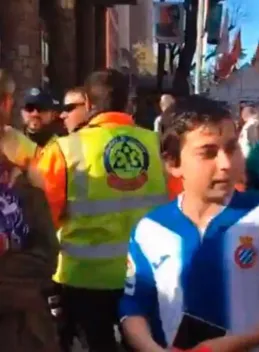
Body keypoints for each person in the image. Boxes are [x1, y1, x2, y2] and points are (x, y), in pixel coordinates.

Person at [120, 96, 259, 352]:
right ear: (172, 163)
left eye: (231, 148)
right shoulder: (150, 229)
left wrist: (231, 345)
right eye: (208, 153)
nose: (225, 164)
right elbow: (133, 308)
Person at [35, 69, 168, 351]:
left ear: (87, 102)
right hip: (148, 276)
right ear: (129, 103)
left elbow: (43, 219)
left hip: (83, 279)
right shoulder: (159, 146)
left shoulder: (64, 149)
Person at [0, 69, 60, 351]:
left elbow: (44, 257)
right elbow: (43, 258)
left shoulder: (22, 162)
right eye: (29, 108)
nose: (34, 115)